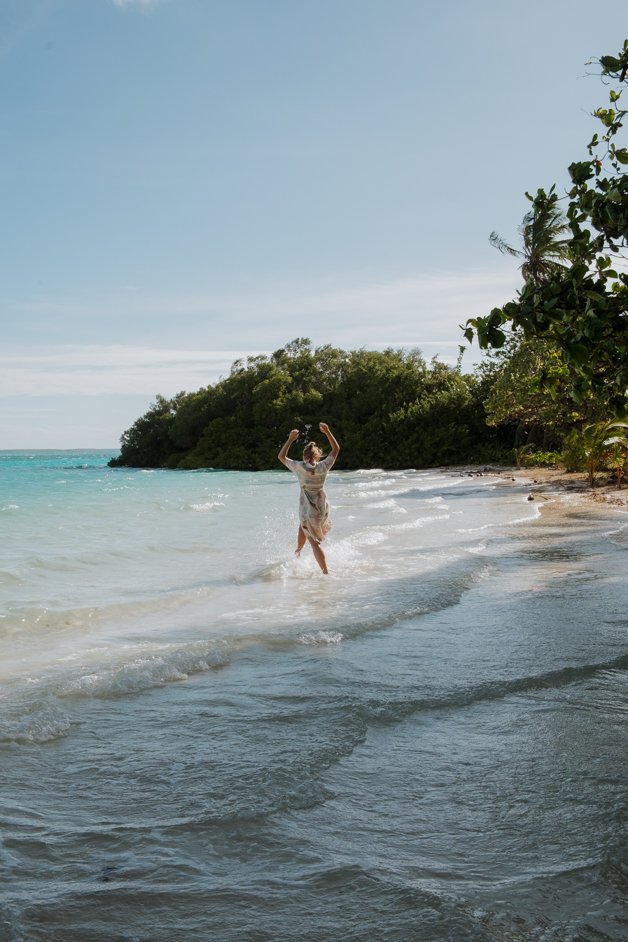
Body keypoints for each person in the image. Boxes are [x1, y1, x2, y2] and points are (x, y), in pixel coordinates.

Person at [278, 422, 340, 575]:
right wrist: (327, 432)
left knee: (315, 544)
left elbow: (281, 456)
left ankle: (326, 573)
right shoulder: (323, 466)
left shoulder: (299, 466)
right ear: (317, 456)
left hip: (308, 508)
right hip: (322, 507)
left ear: (304, 456)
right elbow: (336, 449)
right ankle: (297, 552)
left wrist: (290, 440)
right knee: (303, 526)